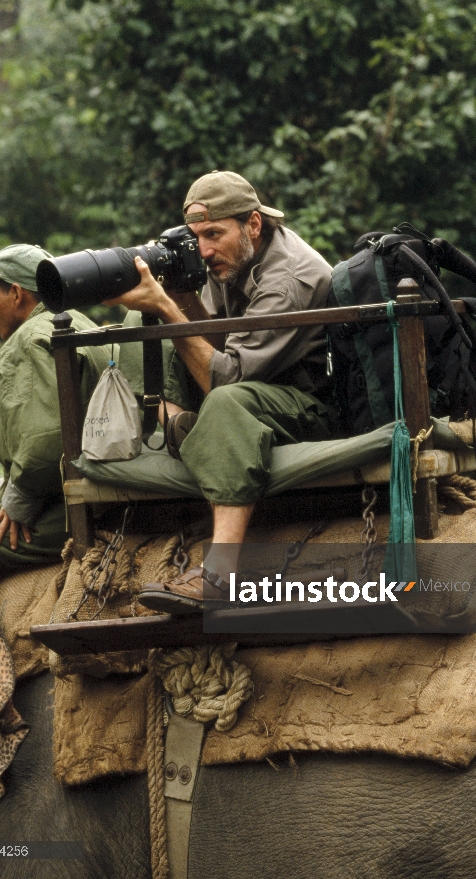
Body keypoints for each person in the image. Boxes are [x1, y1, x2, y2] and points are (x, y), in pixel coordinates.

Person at [110, 171, 337, 607]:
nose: (205, 249)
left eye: (214, 233)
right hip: (257, 386)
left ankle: (220, 573)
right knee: (142, 324)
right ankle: (180, 426)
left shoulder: (289, 277)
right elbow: (215, 342)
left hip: (309, 404)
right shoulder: (226, 258)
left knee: (226, 399)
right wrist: (179, 296)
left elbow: (230, 377)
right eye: (195, 238)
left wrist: (165, 305)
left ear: (253, 224)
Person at [0, 244, 111, 588]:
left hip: (68, 510)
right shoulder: (81, 322)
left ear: (16, 293)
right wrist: (0, 491)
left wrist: (15, 505)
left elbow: (45, 445)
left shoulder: (27, 340)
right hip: (104, 487)